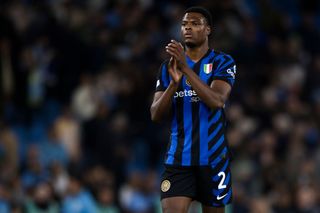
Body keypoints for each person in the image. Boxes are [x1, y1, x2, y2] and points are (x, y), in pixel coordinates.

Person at [150, 6, 236, 213]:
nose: (188, 28)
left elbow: (216, 100)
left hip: (213, 160)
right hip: (178, 160)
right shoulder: (167, 67)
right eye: (184, 24)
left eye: (195, 24)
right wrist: (173, 84)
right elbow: (155, 114)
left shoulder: (222, 62)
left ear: (208, 30)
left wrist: (186, 69)